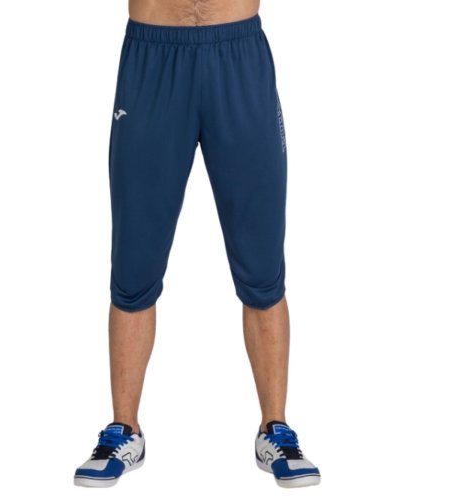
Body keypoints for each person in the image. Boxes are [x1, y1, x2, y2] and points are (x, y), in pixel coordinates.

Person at [74, 0, 320, 489]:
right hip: (152, 57)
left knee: (262, 263)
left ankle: (275, 428)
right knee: (134, 262)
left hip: (238, 54)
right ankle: (124, 430)